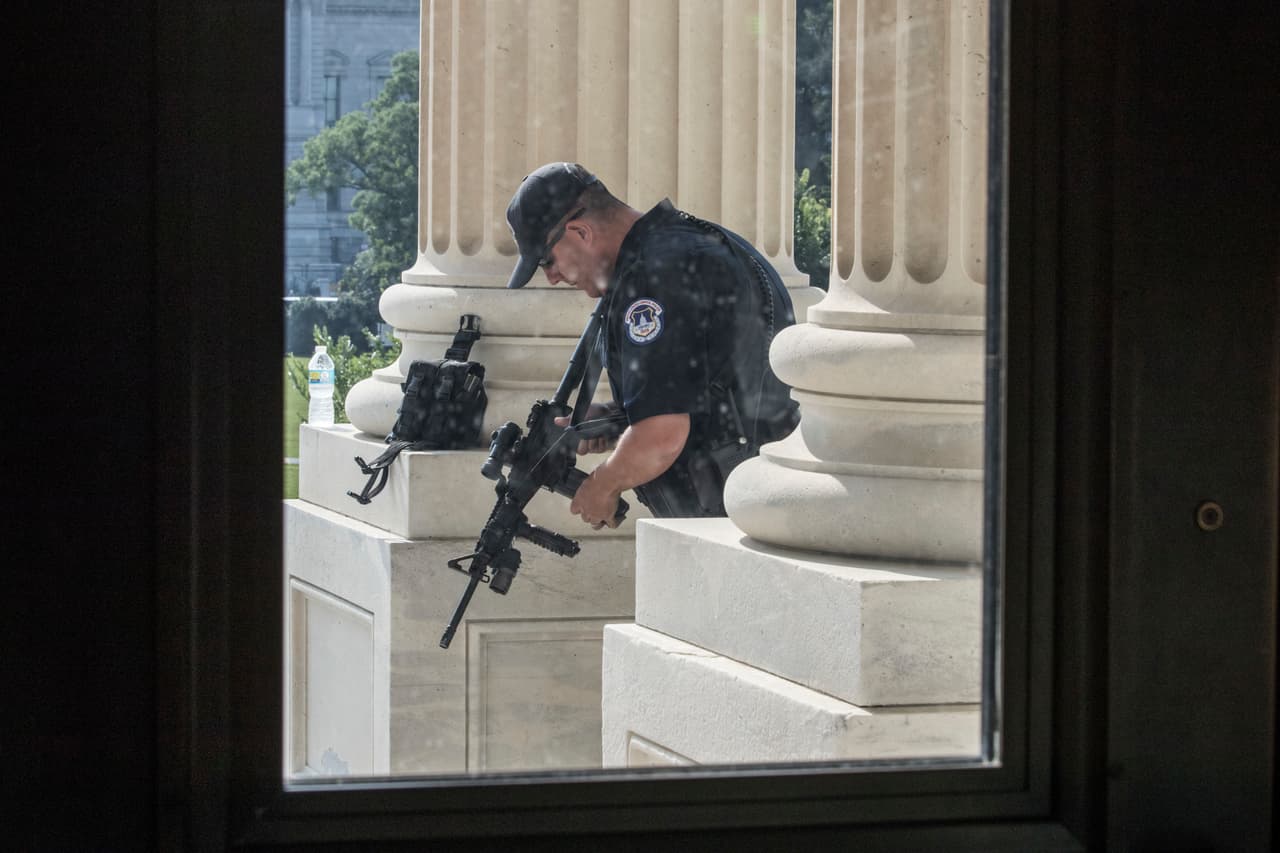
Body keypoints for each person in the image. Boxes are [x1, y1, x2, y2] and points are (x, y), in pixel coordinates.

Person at [504, 162, 800, 527]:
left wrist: (603, 486)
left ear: (580, 232)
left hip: (727, 526)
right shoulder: (697, 241)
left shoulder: (651, 278)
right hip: (760, 506)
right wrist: (617, 418)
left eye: (547, 260)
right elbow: (713, 389)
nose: (550, 277)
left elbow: (661, 436)